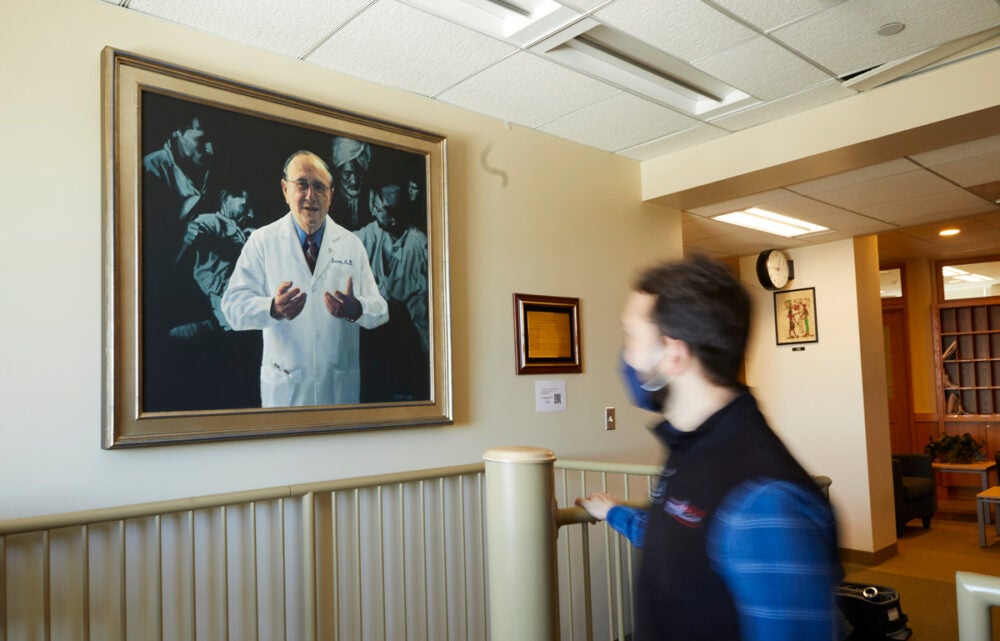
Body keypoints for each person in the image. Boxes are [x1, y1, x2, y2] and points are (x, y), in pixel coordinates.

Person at [575, 255, 842, 641]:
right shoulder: (692, 445)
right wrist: (615, 512)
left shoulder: (766, 501)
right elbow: (689, 538)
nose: (626, 356)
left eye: (631, 337)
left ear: (673, 353)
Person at [221, 151, 388, 407]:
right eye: (302, 184)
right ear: (285, 189)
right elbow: (232, 308)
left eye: (319, 187)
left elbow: (380, 310)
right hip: (285, 389)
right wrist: (272, 309)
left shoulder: (351, 244)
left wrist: (358, 309)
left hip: (338, 390)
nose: (310, 196)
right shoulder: (262, 242)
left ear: (331, 195)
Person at [356, 184, 429, 401]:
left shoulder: (419, 245)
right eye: (376, 208)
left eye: (382, 210)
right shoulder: (372, 233)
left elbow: (422, 312)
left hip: (408, 342)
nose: (376, 212)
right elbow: (341, 243)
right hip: (376, 341)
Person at [172, 187, 255, 338]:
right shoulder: (209, 221)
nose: (250, 213)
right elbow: (197, 235)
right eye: (244, 205)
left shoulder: (244, 229)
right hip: (217, 298)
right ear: (225, 198)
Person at [330, 137, 373, 230]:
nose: (354, 181)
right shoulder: (329, 200)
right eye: (347, 174)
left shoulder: (373, 199)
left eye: (359, 173)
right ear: (339, 172)